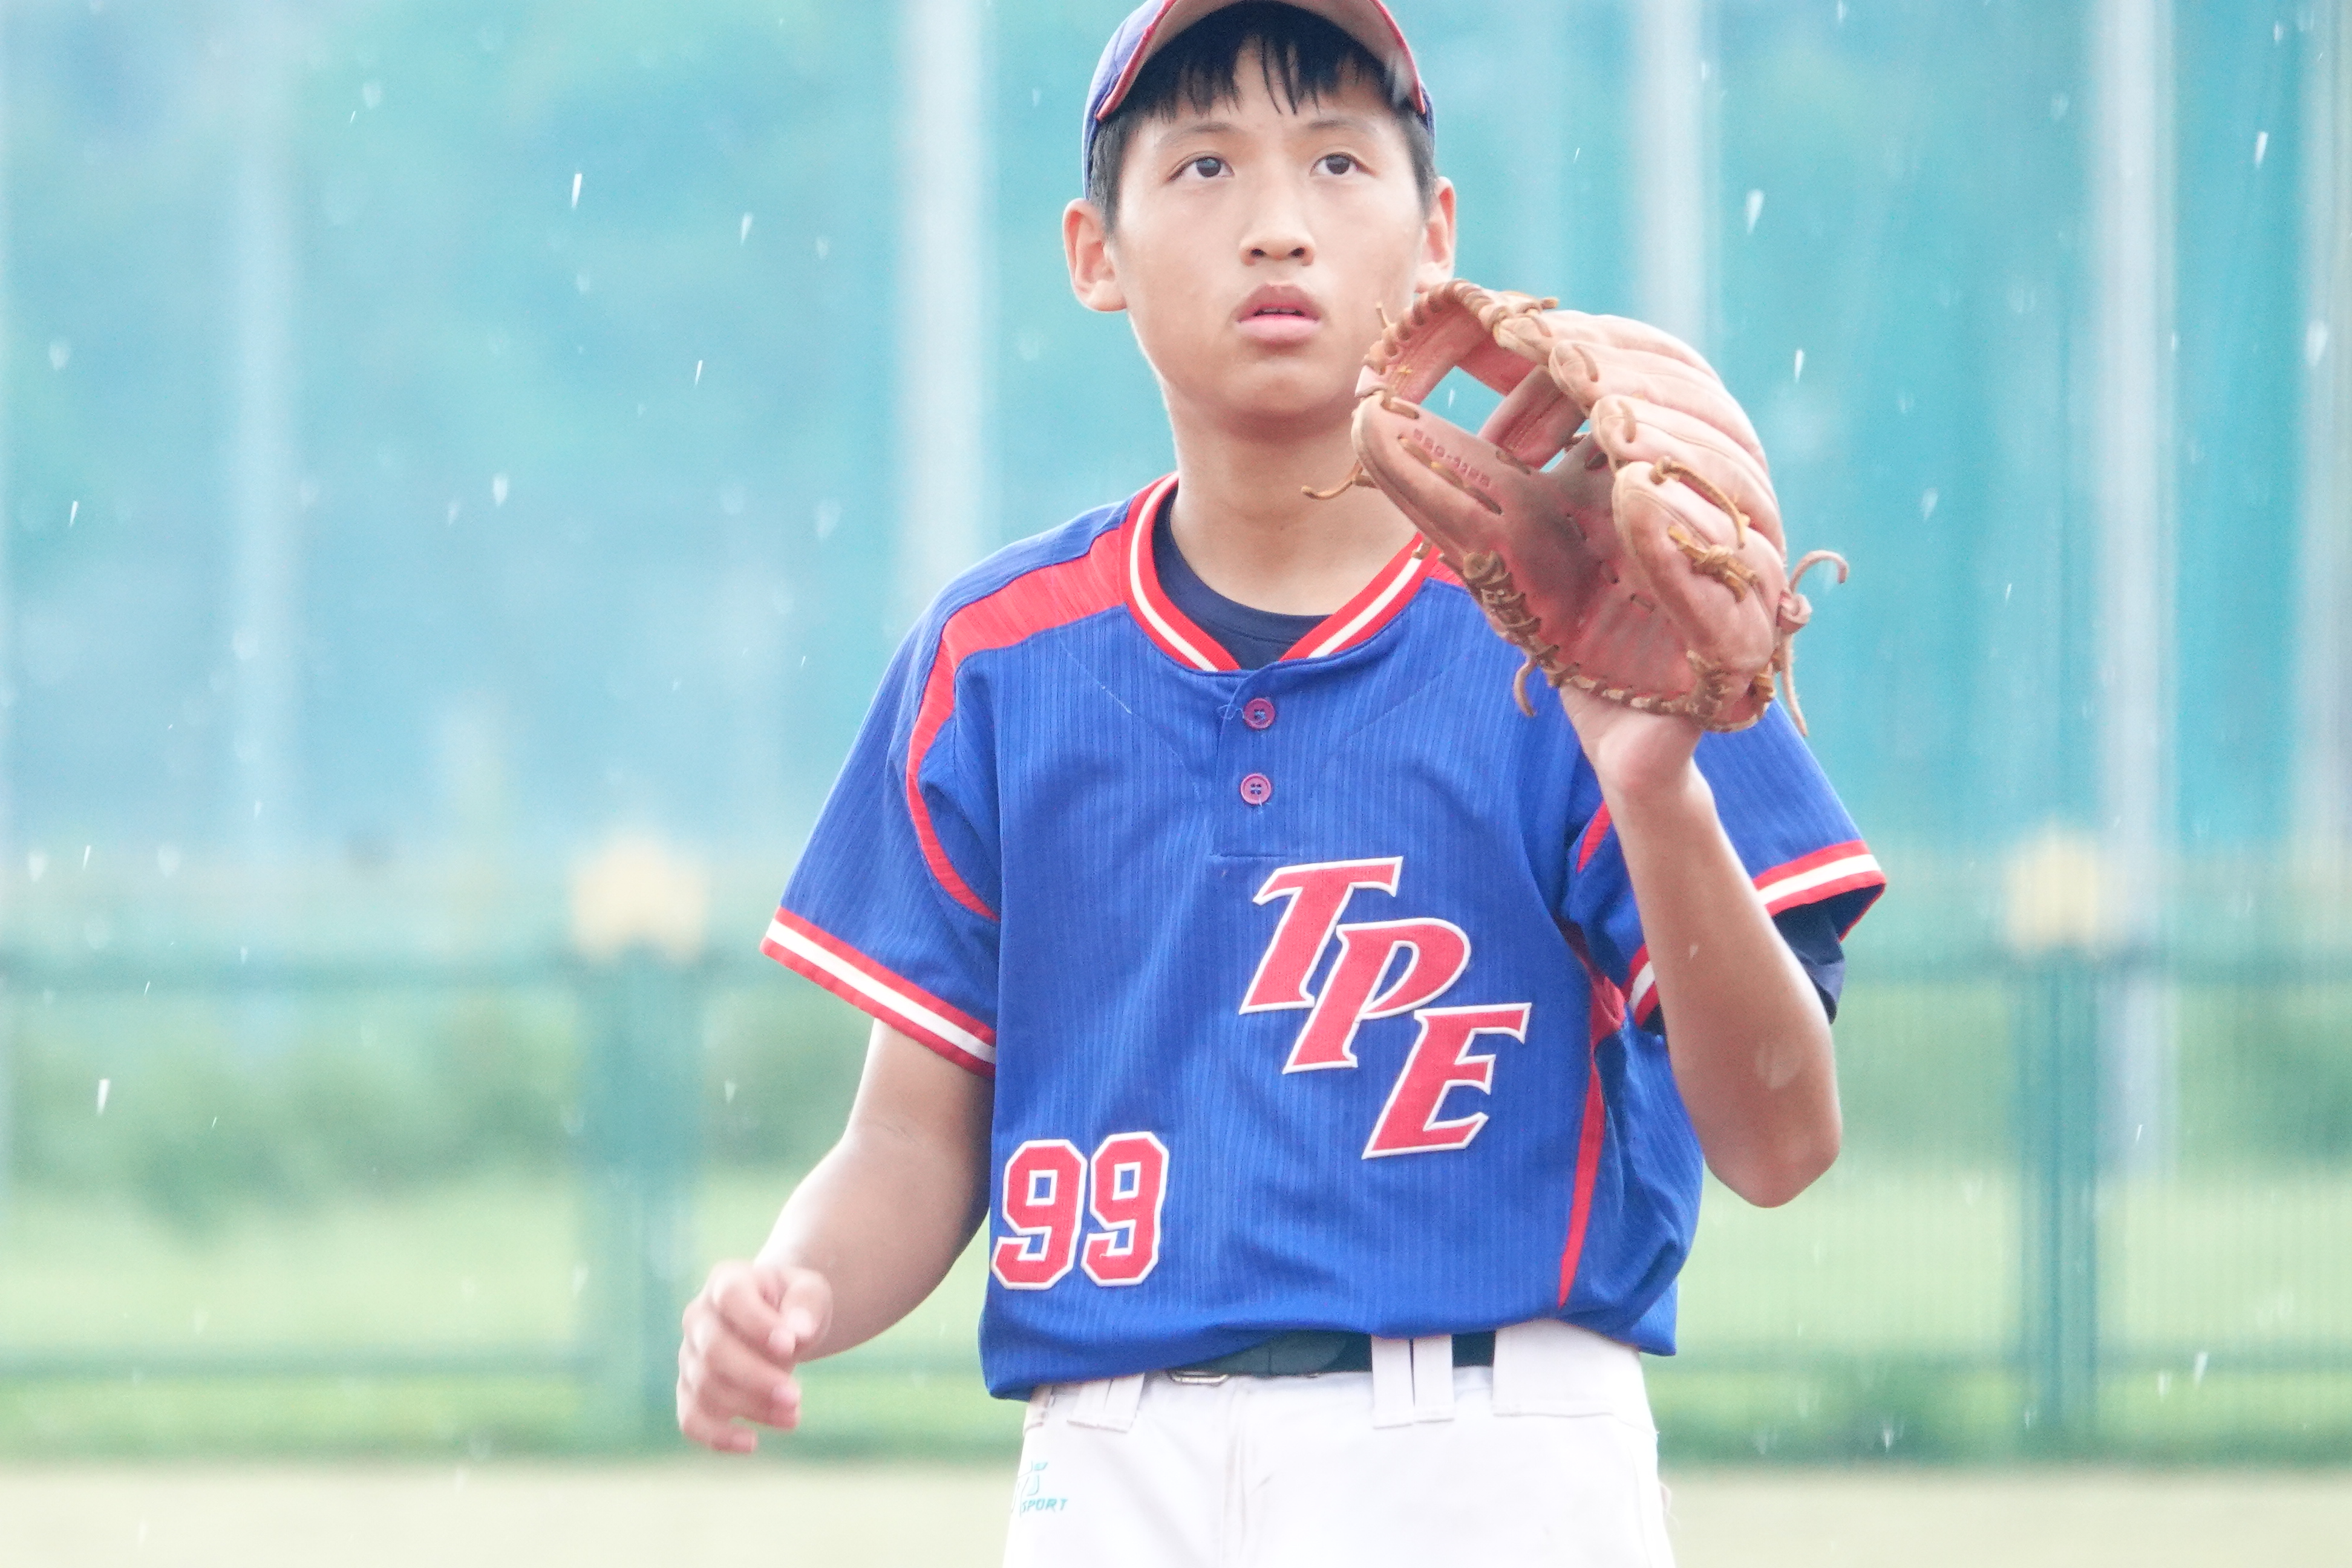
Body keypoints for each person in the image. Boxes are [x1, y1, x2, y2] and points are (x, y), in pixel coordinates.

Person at [678, 4, 1883, 1562]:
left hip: (1489, 1447)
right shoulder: (999, 659)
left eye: (1336, 160)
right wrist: (794, 1285)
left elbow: (1782, 1145)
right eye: (1202, 166)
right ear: (1094, 254)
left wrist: (1656, 789)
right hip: (1110, 1458)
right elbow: (914, 1143)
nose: (1276, 225)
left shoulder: (1602, 608)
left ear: (1436, 238)